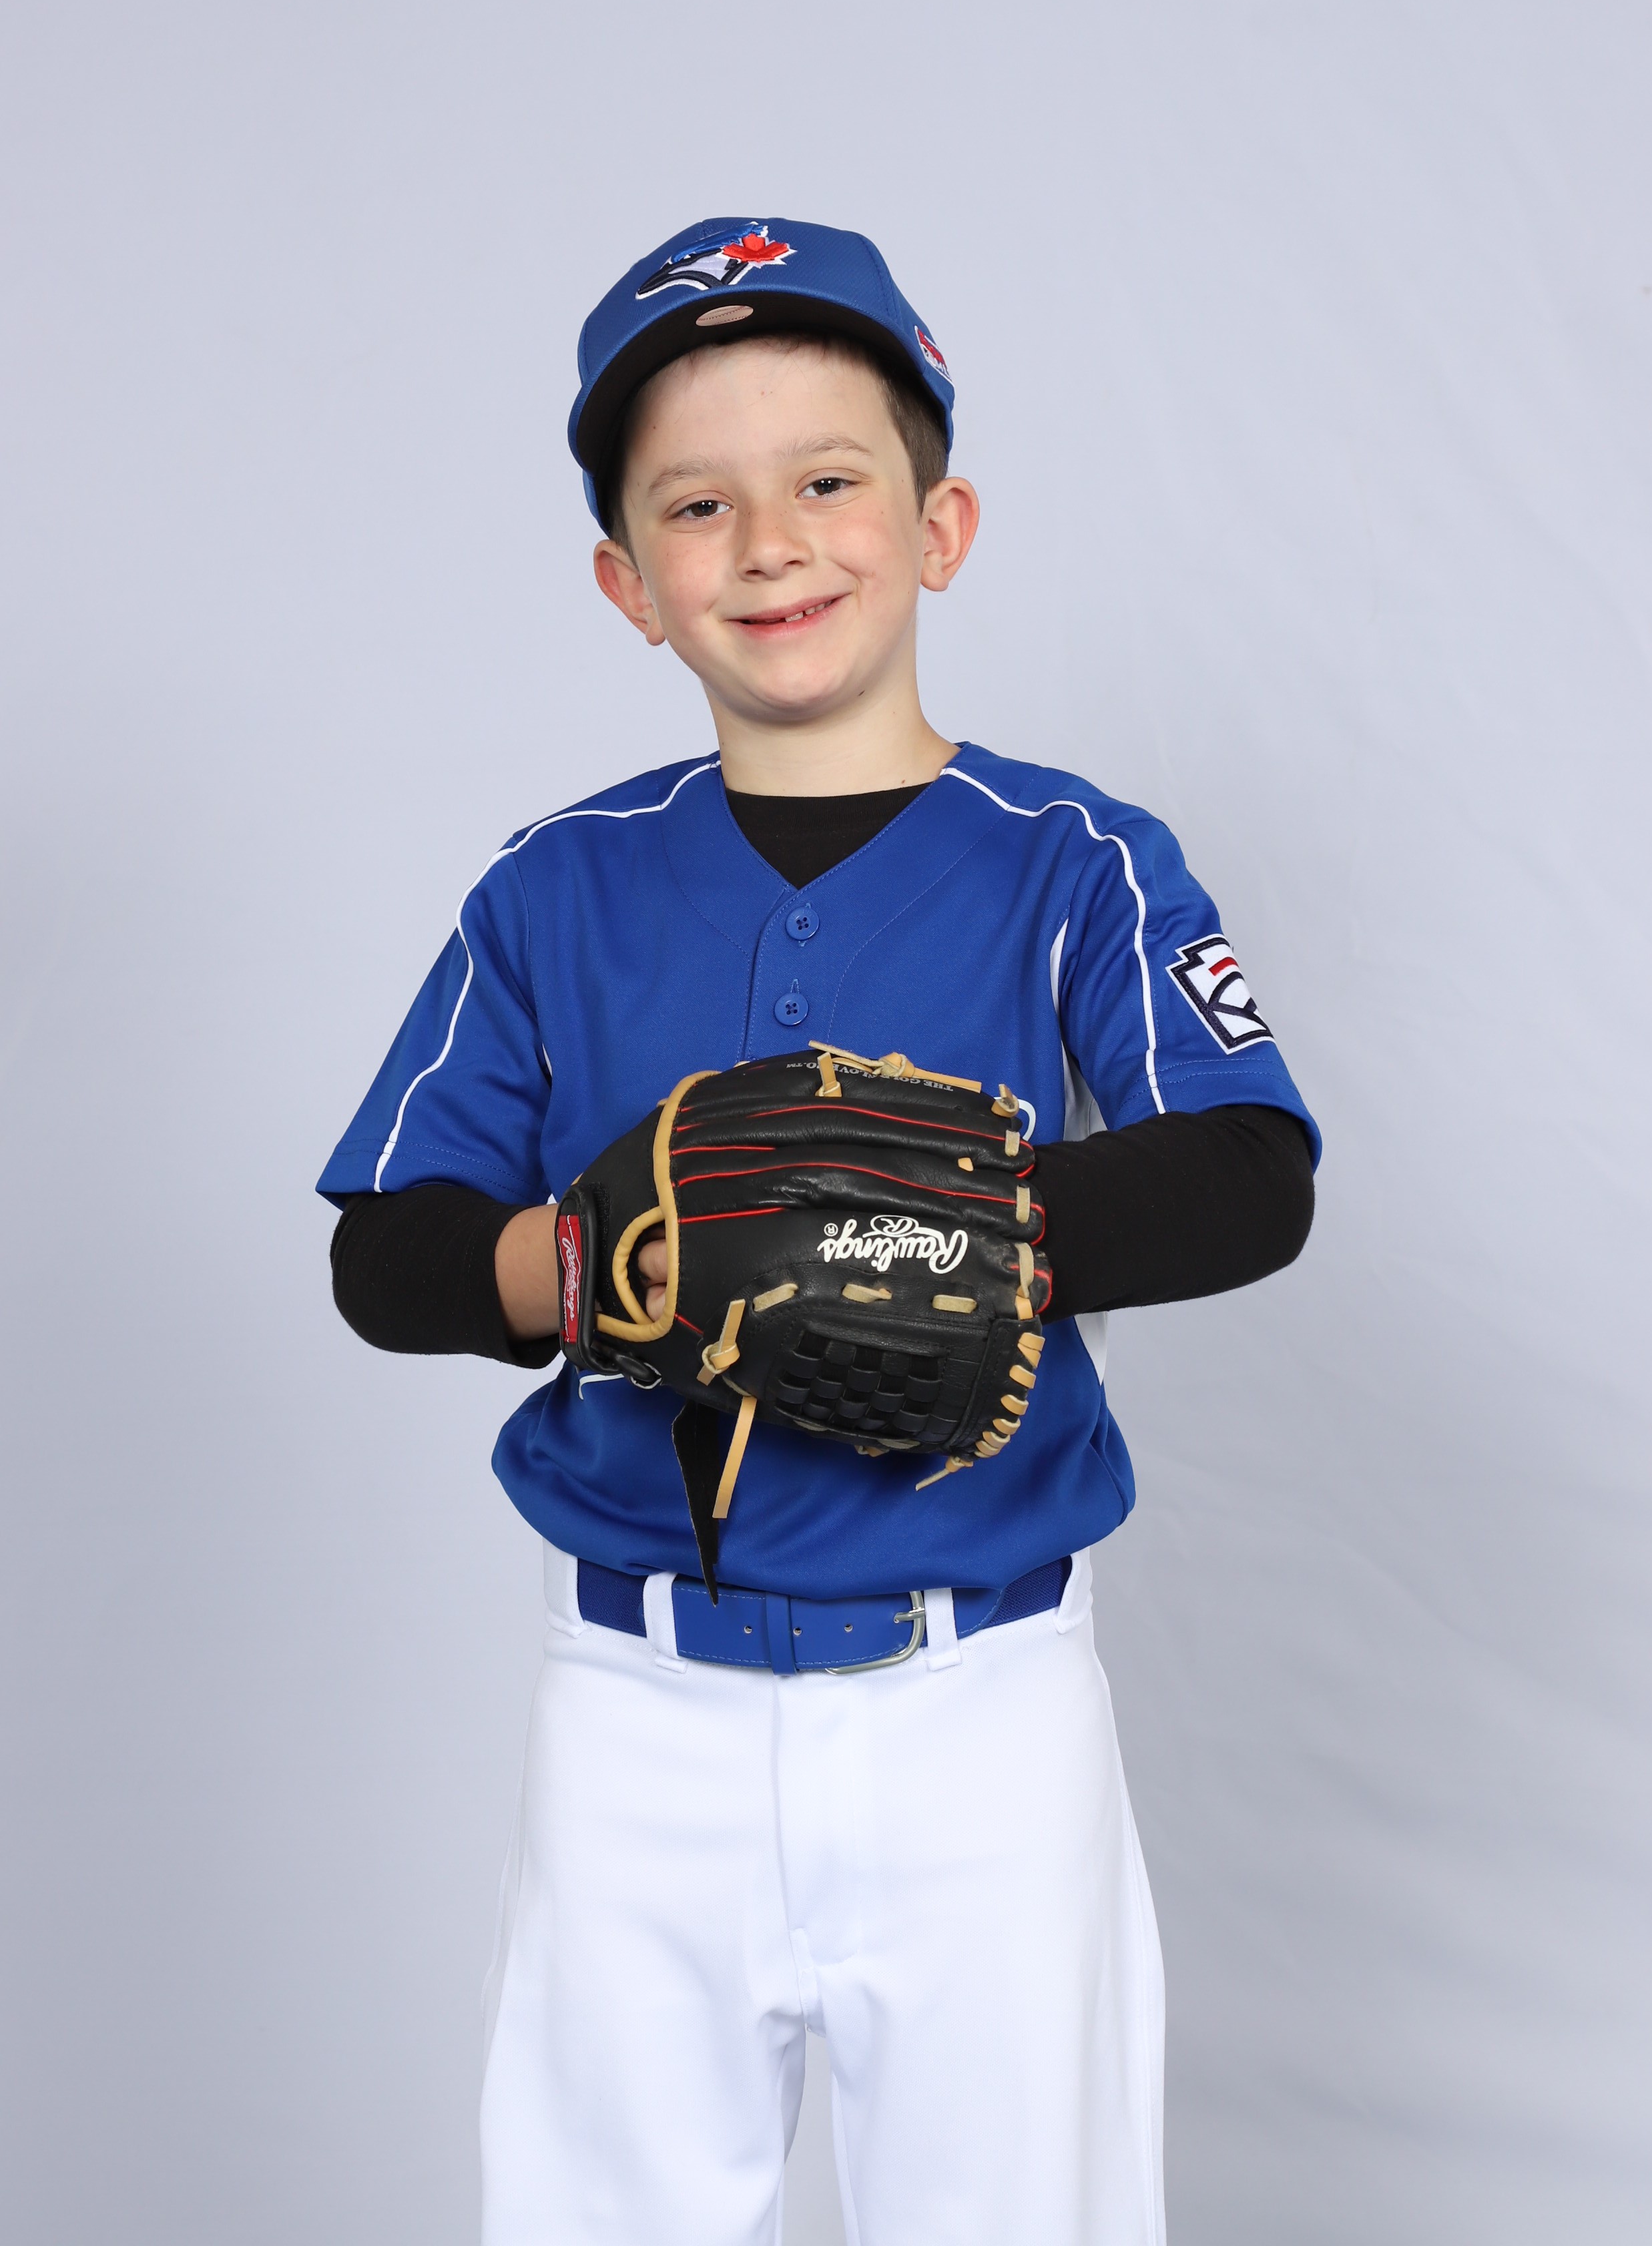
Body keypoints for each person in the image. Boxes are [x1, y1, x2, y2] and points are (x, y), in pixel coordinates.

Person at [320, 217, 1319, 2245]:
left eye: (830, 480)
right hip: (638, 1716)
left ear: (941, 527)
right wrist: (602, 1266)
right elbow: (387, 1250)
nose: (770, 542)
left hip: (981, 1709)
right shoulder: (554, 889)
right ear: (629, 582)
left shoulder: (1074, 860)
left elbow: (1247, 1172)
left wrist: (902, 1233)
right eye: (697, 503)